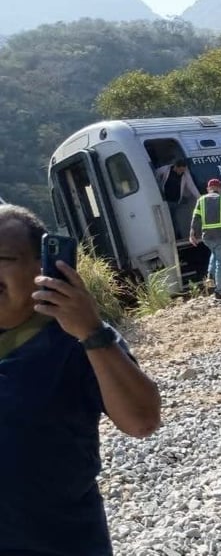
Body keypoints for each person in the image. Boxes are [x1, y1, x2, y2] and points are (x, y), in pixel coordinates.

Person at [0, 203, 161, 554]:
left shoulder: (75, 338)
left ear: (43, 267)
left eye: (4, 259)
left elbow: (143, 421)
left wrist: (90, 331)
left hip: (59, 543)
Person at [154, 158, 201, 240]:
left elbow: (191, 186)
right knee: (167, 220)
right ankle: (169, 237)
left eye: (183, 170)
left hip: (176, 202)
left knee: (175, 220)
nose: (181, 172)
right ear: (175, 167)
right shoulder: (165, 170)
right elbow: (156, 175)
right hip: (165, 201)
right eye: (180, 170)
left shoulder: (185, 174)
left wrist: (200, 198)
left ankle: (176, 237)